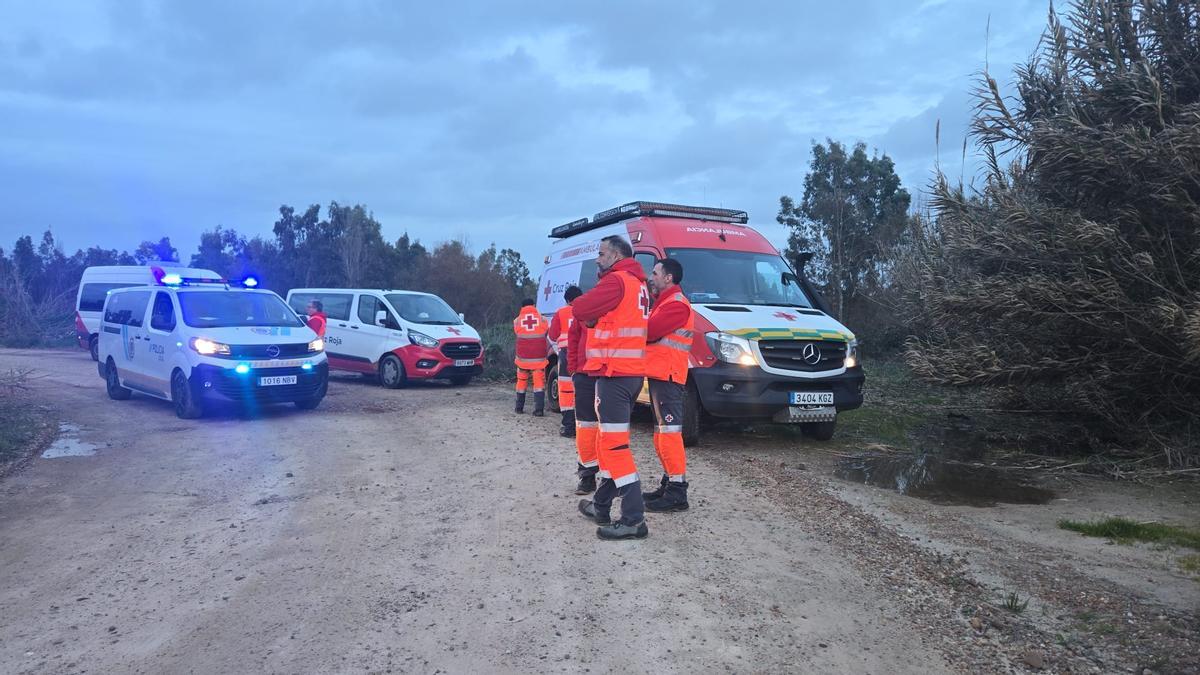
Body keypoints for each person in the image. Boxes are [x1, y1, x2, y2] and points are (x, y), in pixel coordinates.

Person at [572, 235, 651, 540]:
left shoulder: (617, 281)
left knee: (615, 448)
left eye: (601, 254)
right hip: (627, 375)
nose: (597, 259)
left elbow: (580, 307)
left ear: (617, 255)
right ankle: (601, 505)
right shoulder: (637, 283)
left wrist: (592, 318)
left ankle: (633, 518)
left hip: (616, 375)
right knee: (608, 442)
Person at [642, 258, 694, 512]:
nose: (651, 277)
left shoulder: (676, 305)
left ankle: (677, 491)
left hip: (669, 376)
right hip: (660, 375)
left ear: (668, 278)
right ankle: (669, 482)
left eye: (655, 273)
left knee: (670, 434)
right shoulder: (663, 303)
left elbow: (649, 332)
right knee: (661, 434)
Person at [547, 286, 583, 438]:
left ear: (567, 300)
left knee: (566, 390)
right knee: (583, 389)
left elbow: (553, 335)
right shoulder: (588, 310)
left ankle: (568, 426)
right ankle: (583, 427)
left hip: (566, 354)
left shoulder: (561, 312)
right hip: (584, 353)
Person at [512, 298, 549, 416]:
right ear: (533, 305)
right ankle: (539, 410)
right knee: (538, 383)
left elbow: (518, 334)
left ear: (522, 307)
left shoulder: (517, 321)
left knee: (521, 382)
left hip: (522, 358)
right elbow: (545, 332)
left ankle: (519, 408)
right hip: (538, 358)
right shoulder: (543, 319)